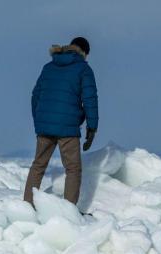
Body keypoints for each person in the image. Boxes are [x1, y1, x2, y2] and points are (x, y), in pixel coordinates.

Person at [24, 36, 98, 208]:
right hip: (68, 128)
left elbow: (35, 96)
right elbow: (90, 100)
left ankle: (26, 206)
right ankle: (69, 211)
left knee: (38, 165)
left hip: (44, 126)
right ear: (84, 52)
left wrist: (39, 120)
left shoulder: (49, 67)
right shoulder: (83, 69)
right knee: (72, 169)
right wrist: (92, 128)